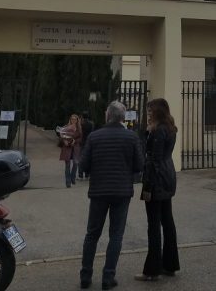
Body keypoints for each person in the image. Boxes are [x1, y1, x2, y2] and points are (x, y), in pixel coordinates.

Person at [79, 101, 143, 290]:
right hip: (122, 192)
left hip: (99, 191)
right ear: (123, 117)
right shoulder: (131, 137)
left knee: (92, 234)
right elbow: (139, 165)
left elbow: (83, 166)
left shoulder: (94, 136)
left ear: (107, 116)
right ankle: (108, 277)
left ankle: (85, 276)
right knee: (116, 235)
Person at [135, 98, 180, 282]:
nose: (148, 114)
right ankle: (170, 264)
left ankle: (152, 270)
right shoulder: (170, 128)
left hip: (156, 179)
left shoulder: (158, 130)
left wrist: (147, 185)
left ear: (157, 112)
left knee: (154, 225)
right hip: (167, 176)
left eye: (150, 111)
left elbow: (154, 158)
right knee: (167, 221)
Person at [59, 114, 82, 188]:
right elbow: (61, 136)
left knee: (76, 163)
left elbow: (81, 138)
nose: (73, 120)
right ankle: (68, 182)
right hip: (67, 148)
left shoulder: (79, 128)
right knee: (67, 165)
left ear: (77, 120)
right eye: (72, 119)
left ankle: (73, 177)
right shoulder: (66, 127)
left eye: (75, 119)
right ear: (70, 119)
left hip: (75, 147)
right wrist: (64, 140)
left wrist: (75, 141)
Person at [78, 111, 94, 180]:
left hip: (82, 142)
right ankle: (87, 175)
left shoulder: (81, 124)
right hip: (89, 142)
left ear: (82, 116)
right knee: (88, 159)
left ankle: (80, 175)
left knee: (81, 159)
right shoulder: (91, 123)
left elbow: (79, 133)